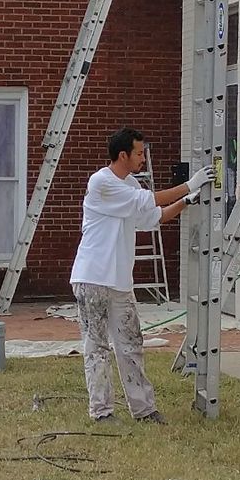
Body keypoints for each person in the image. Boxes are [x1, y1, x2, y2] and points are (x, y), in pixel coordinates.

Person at [70, 126, 198, 425]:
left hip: (120, 282)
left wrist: (186, 202)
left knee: (131, 344)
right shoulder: (101, 182)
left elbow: (153, 217)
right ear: (123, 154)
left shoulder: (132, 187)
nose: (143, 159)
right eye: (139, 153)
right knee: (97, 346)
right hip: (92, 278)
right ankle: (101, 411)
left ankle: (144, 409)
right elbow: (147, 203)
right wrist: (187, 186)